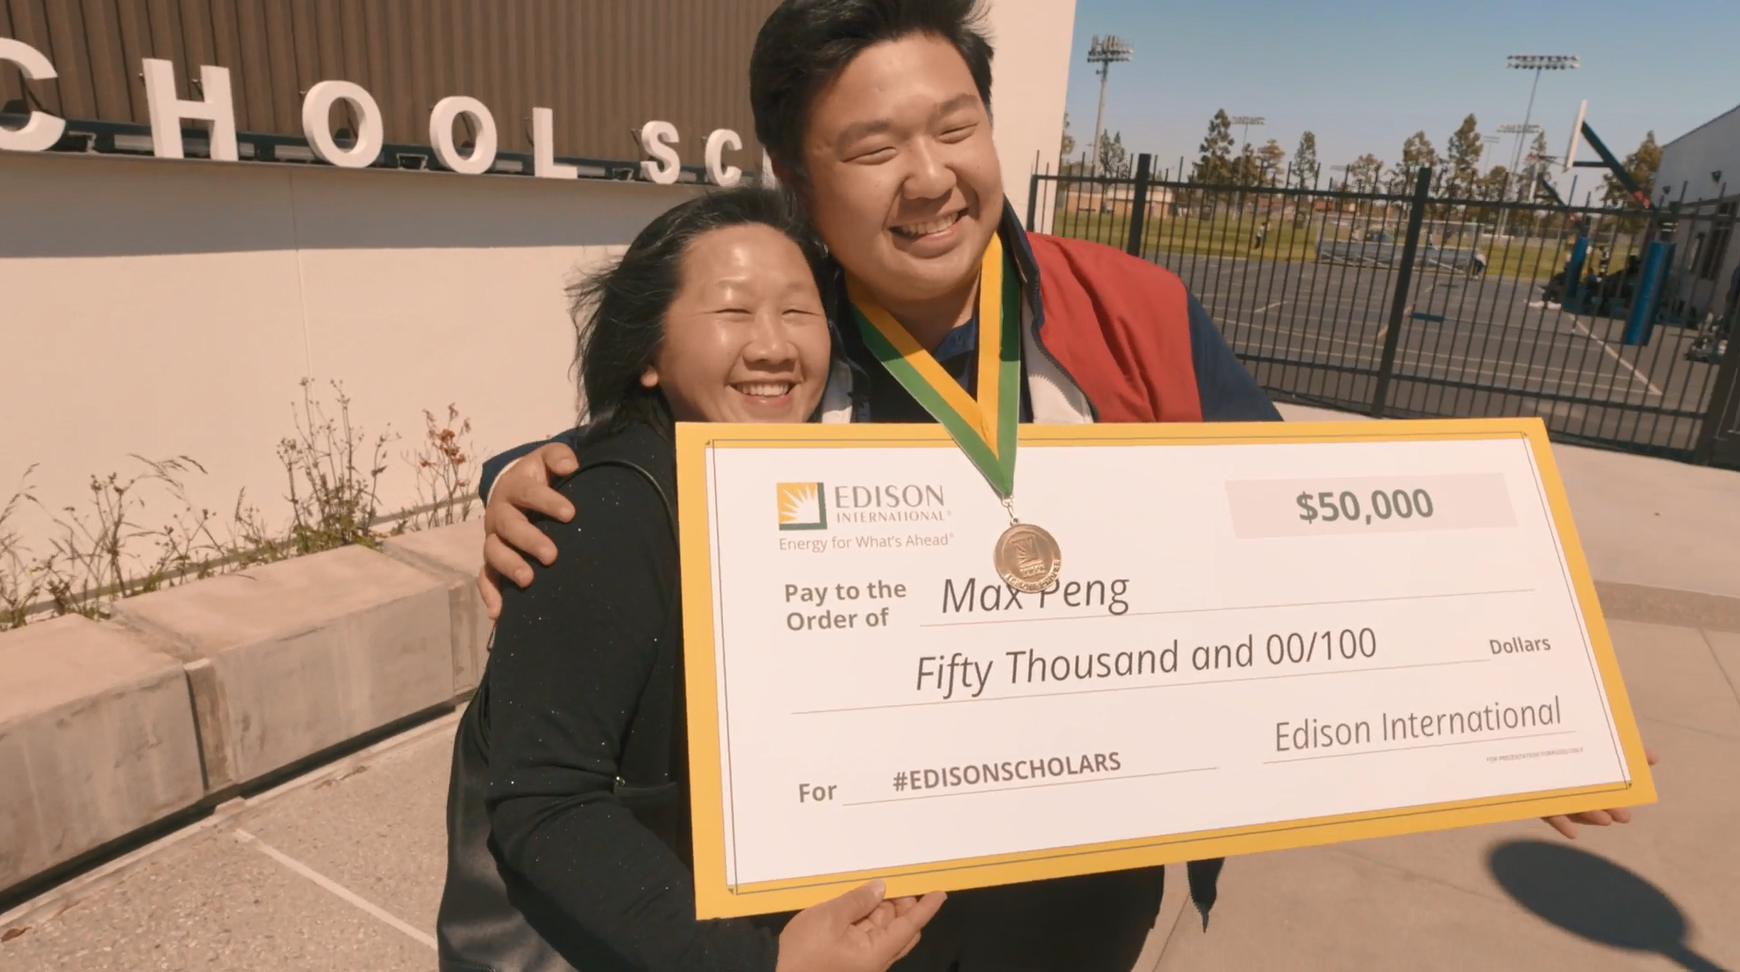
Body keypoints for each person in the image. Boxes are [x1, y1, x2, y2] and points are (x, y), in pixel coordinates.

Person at [469, 0, 1657, 964]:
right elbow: (632, 454)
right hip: (849, 916)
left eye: (955, 126)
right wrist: (517, 476)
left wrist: (1505, 714)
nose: (928, 178)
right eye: (873, 148)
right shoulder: (784, 335)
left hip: (1088, 906)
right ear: (795, 174)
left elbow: (1303, 540)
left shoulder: (1130, 312)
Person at [435, 186, 944, 972]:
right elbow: (548, 803)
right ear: (647, 354)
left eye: (798, 313)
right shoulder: (600, 514)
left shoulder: (818, 491)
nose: (773, 346)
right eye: (734, 313)